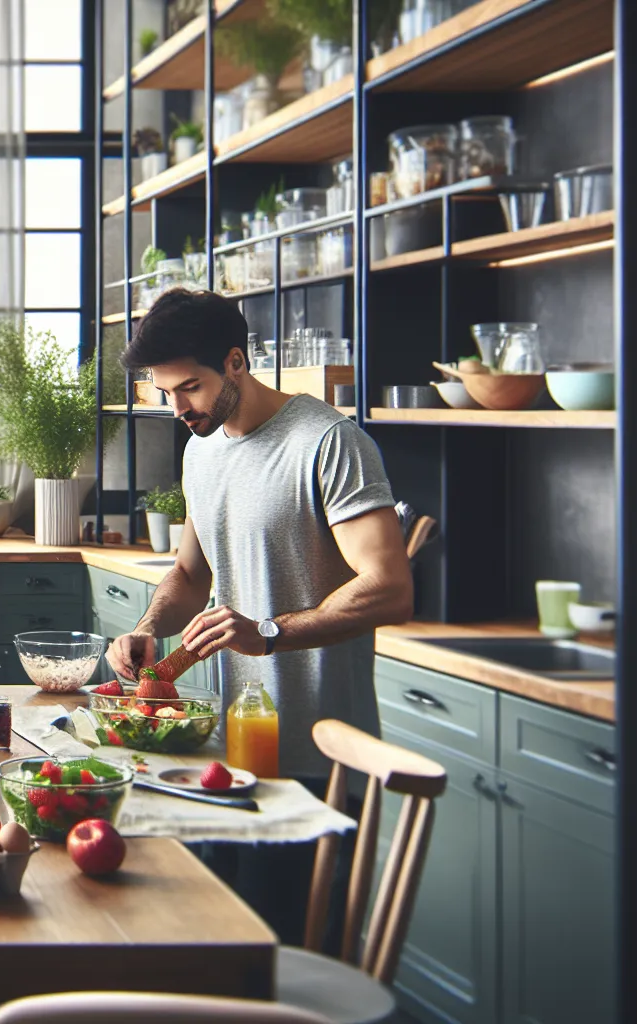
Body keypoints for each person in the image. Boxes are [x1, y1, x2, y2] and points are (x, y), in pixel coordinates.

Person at [108, 289, 413, 941]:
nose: (178, 409)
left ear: (237, 362)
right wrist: (146, 628)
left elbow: (389, 588)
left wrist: (269, 633)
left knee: (298, 963)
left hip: (316, 760)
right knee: (225, 960)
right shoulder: (203, 451)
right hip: (229, 756)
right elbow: (192, 575)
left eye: (189, 388)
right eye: (165, 393)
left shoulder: (328, 442)